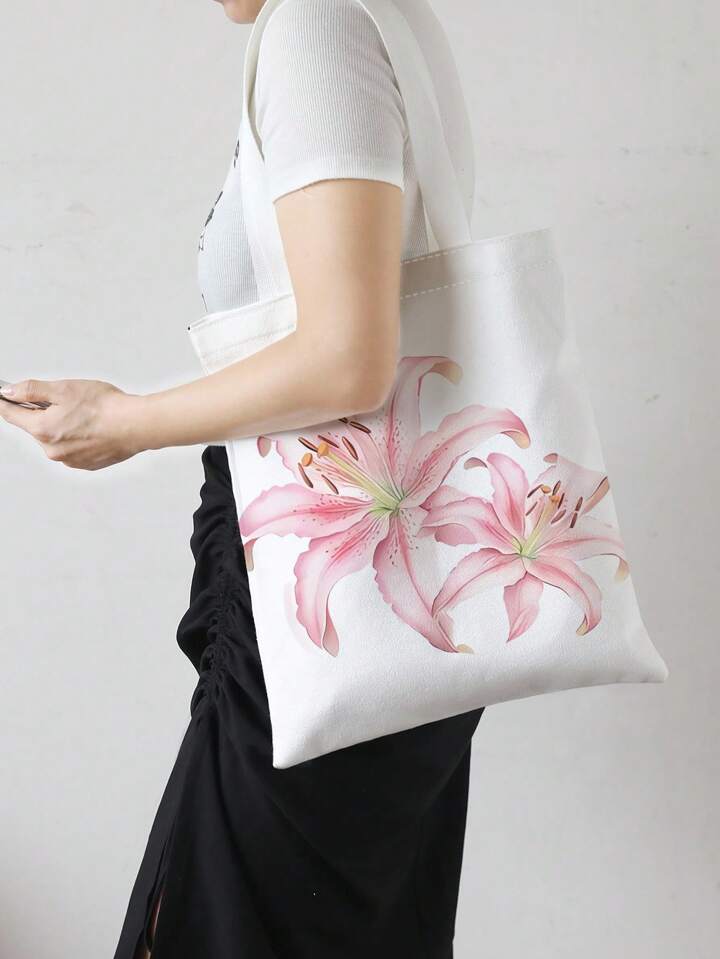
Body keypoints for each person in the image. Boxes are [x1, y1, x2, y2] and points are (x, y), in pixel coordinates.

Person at [0, 1, 483, 956]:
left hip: (315, 592)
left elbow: (347, 358)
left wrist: (122, 421)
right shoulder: (382, 14)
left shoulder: (318, 22)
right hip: (389, 582)